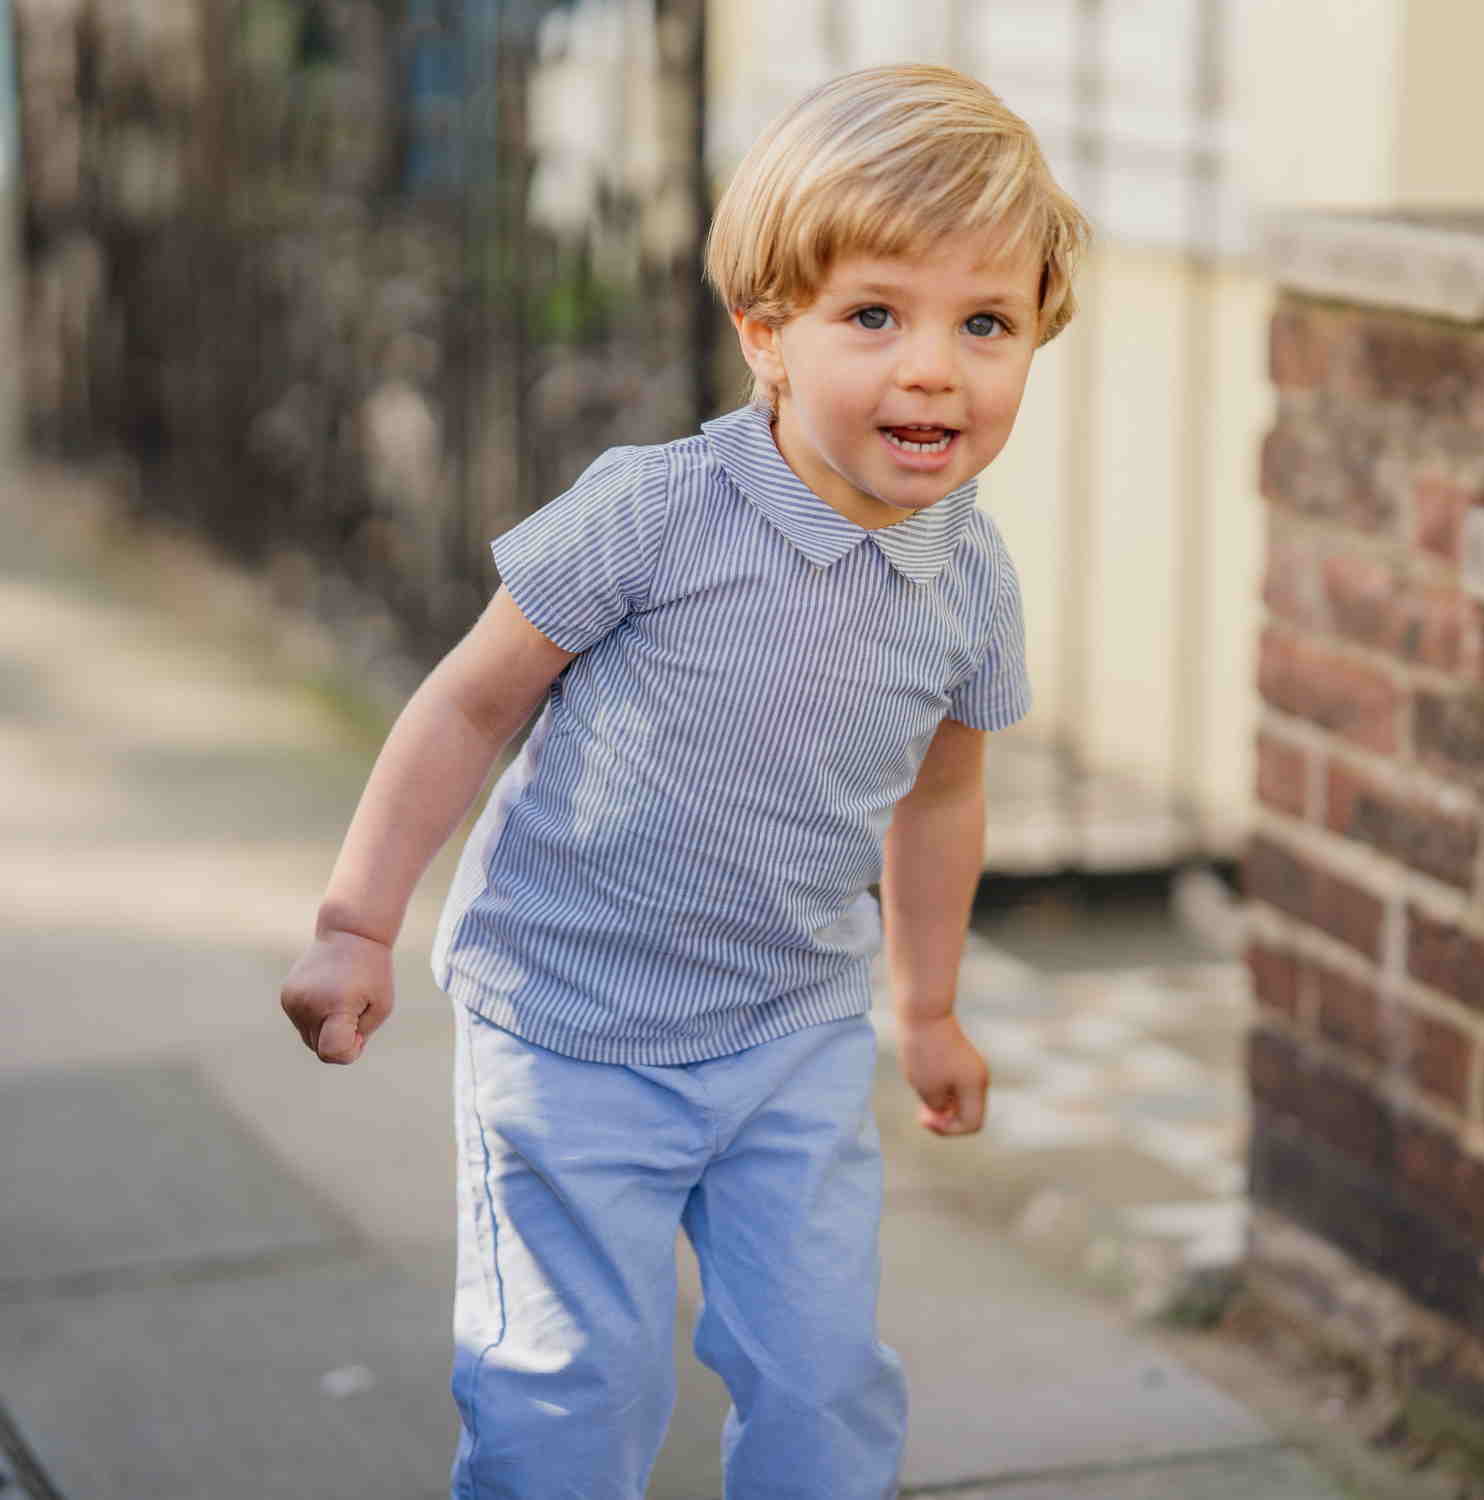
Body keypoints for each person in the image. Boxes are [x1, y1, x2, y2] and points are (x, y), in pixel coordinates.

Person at [280, 61, 1088, 1500]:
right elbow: (469, 705)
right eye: (874, 317)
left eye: (987, 323)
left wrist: (931, 1004)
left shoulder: (970, 580)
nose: (933, 368)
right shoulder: (653, 515)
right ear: (767, 336)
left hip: (790, 1037)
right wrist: (357, 919)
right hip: (572, 1028)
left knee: (824, 1377)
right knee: (568, 1392)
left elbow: (942, 796)